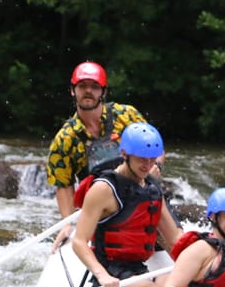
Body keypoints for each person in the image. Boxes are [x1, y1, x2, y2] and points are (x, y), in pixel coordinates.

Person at [71, 123, 181, 287]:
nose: (147, 166)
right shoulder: (103, 189)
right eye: (141, 160)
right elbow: (79, 241)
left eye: (152, 160)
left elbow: (175, 241)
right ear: (124, 154)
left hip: (140, 269)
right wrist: (102, 275)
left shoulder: (152, 189)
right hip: (113, 277)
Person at [46, 61, 156, 246]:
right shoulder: (65, 138)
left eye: (94, 87)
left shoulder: (127, 116)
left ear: (103, 92)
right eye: (82, 86)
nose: (88, 91)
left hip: (142, 193)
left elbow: (155, 148)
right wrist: (68, 223)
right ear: (73, 91)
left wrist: (156, 167)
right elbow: (63, 186)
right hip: (102, 206)